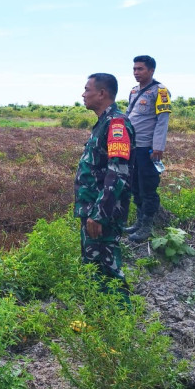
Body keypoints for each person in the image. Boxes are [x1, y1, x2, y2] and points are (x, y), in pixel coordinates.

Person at [74, 73, 135, 294]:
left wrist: (99, 214)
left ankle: (120, 319)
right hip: (93, 210)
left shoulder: (116, 124)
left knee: (109, 272)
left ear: (102, 93)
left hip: (103, 213)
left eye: (87, 89)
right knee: (93, 269)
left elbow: (118, 172)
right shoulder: (103, 123)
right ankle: (101, 322)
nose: (83, 94)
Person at [124, 55, 171, 242]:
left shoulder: (160, 91)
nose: (136, 72)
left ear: (151, 70)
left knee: (148, 187)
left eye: (140, 69)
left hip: (148, 149)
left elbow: (162, 121)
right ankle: (138, 221)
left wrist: (158, 147)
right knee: (134, 185)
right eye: (134, 69)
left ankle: (147, 226)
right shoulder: (134, 91)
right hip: (132, 148)